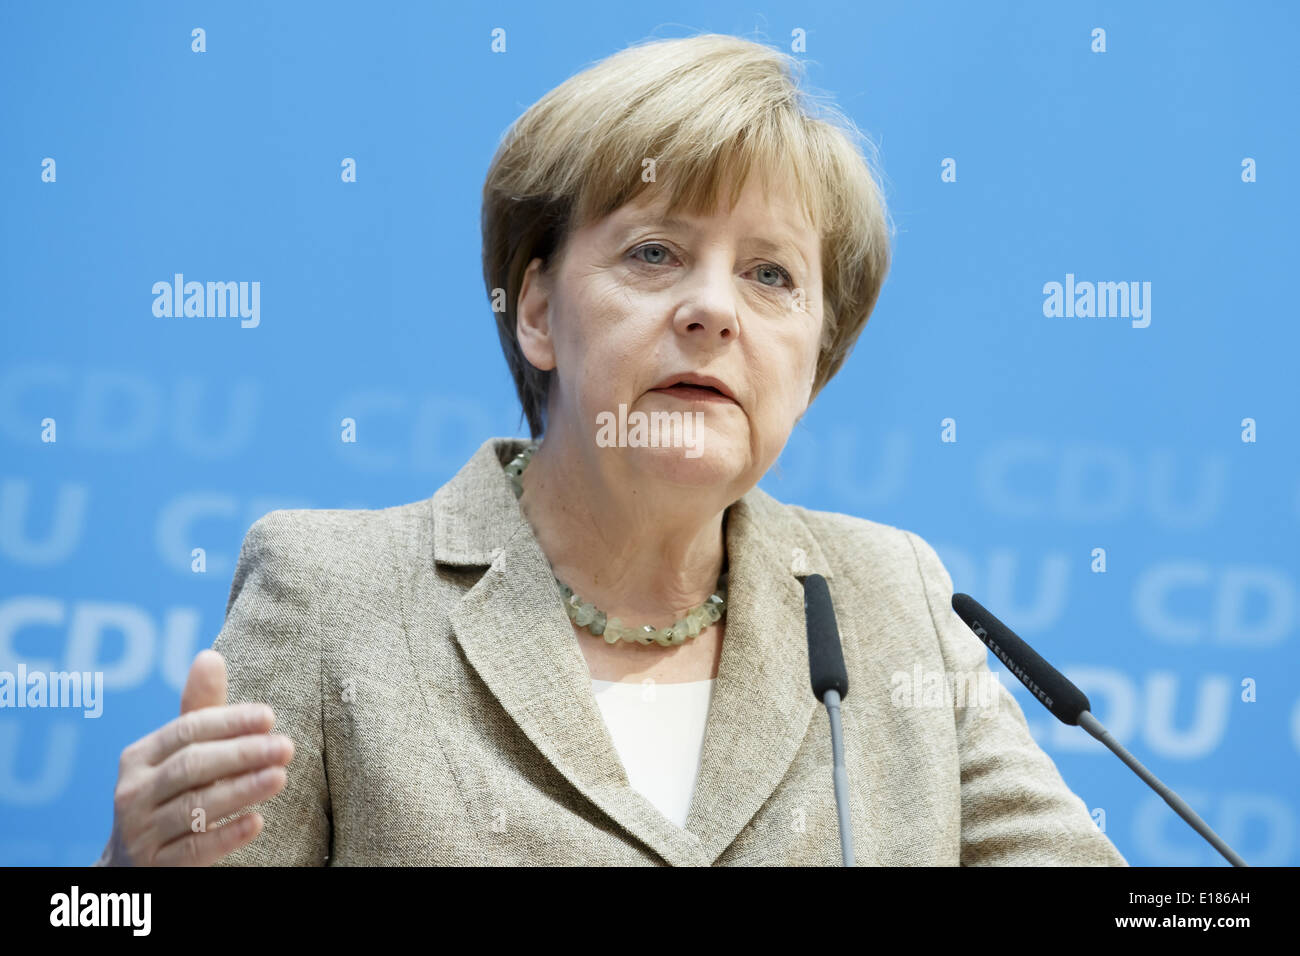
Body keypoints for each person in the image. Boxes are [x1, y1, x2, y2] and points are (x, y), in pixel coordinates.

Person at [96, 32, 1127, 866]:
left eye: (771, 275)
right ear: (537, 310)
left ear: (814, 358)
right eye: (654, 252)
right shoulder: (333, 596)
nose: (713, 309)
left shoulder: (889, 600)